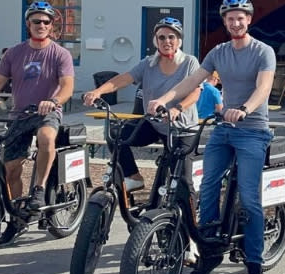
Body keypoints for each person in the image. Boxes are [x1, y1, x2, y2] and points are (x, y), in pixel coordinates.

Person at [149, 0, 276, 274]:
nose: (235, 22)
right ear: (225, 22)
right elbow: (191, 82)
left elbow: (264, 87)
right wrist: (164, 101)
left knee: (249, 197)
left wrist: (244, 108)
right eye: (230, 18)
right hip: (222, 130)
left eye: (240, 17)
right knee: (205, 187)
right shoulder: (218, 52)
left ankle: (255, 265)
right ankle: (209, 253)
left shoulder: (263, 51)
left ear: (249, 19)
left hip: (252, 130)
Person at [0, 1, 74, 242]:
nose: (41, 25)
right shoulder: (14, 53)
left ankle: (39, 189)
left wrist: (54, 100)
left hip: (48, 111)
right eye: (36, 21)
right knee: (10, 169)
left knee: (46, 137)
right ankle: (18, 218)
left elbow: (68, 86)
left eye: (46, 22)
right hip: (20, 114)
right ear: (28, 24)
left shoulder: (60, 54)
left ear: (51, 26)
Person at [82, 16, 202, 192]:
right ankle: (133, 177)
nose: (166, 41)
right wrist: (98, 91)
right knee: (116, 135)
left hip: (181, 128)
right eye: (161, 37)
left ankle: (189, 217)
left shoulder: (189, 62)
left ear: (179, 40)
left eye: (171, 37)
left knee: (182, 181)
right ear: (156, 40)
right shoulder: (148, 63)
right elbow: (123, 79)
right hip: (154, 124)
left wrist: (178, 108)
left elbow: (195, 91)